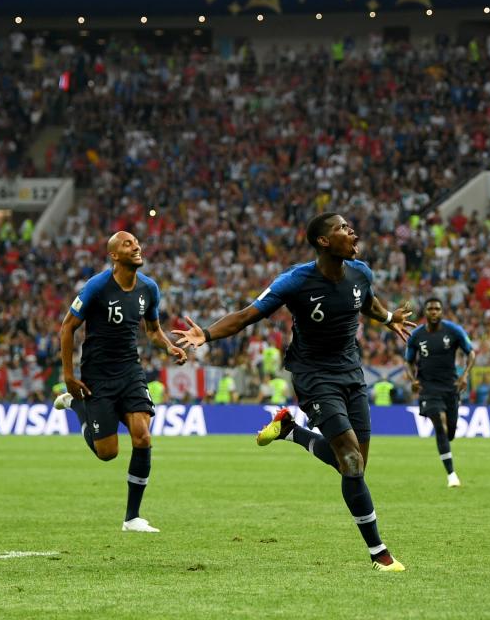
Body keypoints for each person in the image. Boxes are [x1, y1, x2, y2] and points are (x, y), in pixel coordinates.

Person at [173, 212, 415, 572]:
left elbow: (367, 302)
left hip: (351, 373)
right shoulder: (295, 281)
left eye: (350, 226)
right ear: (323, 241)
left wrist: (388, 318)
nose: (352, 231)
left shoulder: (360, 272)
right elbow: (247, 315)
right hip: (313, 375)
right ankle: (379, 554)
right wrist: (205, 334)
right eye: (342, 228)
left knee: (354, 466)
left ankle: (291, 431)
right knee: (350, 459)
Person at [56, 231, 187, 533]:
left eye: (137, 242)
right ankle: (78, 406)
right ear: (114, 255)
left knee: (143, 436)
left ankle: (132, 518)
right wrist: (68, 375)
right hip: (98, 375)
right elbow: (67, 328)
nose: (137, 246)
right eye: (128, 244)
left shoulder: (149, 288)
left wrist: (169, 346)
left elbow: (153, 330)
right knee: (108, 453)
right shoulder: (97, 287)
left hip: (130, 371)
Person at [404, 297, 475, 488]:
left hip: (450, 387)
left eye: (437, 309)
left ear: (441, 311)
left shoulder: (453, 331)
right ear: (425, 312)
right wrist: (413, 380)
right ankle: (451, 474)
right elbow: (408, 361)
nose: (434, 312)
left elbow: (471, 353)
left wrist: (465, 376)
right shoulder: (417, 335)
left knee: (450, 431)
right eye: (430, 309)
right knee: (440, 425)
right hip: (428, 389)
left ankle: (448, 445)